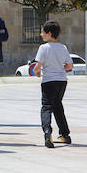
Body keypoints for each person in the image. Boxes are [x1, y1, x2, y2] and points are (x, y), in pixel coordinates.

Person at [34, 20, 73, 148]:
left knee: (46, 106)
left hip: (48, 81)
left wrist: (37, 72)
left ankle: (47, 131)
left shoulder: (43, 48)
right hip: (62, 81)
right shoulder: (63, 47)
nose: (41, 34)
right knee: (58, 106)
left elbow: (37, 67)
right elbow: (70, 66)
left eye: (42, 32)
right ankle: (65, 135)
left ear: (49, 33)